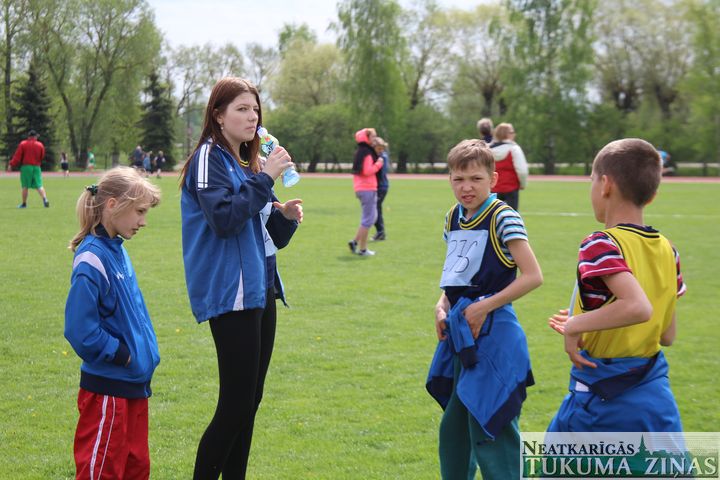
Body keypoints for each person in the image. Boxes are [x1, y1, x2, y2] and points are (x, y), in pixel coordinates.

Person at [180, 76, 303, 480]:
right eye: (242, 109)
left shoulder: (247, 162)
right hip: (231, 291)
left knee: (250, 401)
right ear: (218, 115)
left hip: (261, 288)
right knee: (234, 404)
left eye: (255, 110)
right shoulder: (209, 157)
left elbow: (268, 234)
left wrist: (286, 217)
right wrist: (266, 178)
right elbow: (223, 219)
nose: (253, 117)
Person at [547, 138, 686, 433]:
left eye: (591, 180)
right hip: (655, 401)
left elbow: (637, 307)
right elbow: (667, 334)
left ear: (605, 185)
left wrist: (574, 325)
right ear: (651, 196)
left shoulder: (600, 243)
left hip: (606, 400)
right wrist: (588, 322)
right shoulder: (668, 250)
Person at [426, 139, 543, 480]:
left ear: (493, 179)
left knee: (491, 424)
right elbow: (456, 275)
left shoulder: (503, 216)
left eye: (476, 179)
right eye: (458, 179)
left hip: (496, 334)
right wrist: (441, 304)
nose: (466, 187)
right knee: (455, 428)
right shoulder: (453, 216)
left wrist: (483, 307)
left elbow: (533, 276)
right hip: (461, 331)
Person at [64, 166, 161, 479]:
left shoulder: (117, 250)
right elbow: (79, 328)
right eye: (140, 212)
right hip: (109, 390)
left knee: (136, 468)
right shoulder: (92, 257)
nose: (143, 222)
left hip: (134, 386)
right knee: (102, 471)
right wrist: (121, 354)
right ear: (112, 205)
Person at [348, 127, 384, 256]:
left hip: (362, 188)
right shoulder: (367, 153)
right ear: (366, 138)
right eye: (373, 136)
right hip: (367, 188)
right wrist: (379, 163)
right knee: (368, 220)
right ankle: (363, 249)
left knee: (371, 218)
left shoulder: (361, 151)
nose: (375, 138)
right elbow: (367, 171)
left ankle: (355, 242)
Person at [489, 123, 528, 211]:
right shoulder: (514, 149)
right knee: (512, 215)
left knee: (492, 215)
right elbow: (522, 170)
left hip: (493, 188)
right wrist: (523, 184)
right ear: (507, 134)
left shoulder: (488, 149)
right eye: (512, 132)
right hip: (511, 188)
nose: (514, 134)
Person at [8, 129, 49, 208]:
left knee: (25, 186)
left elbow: (17, 156)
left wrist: (11, 164)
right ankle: (45, 199)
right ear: (35, 137)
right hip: (37, 167)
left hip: (26, 167)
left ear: (29, 137)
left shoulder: (23, 144)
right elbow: (42, 156)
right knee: (39, 185)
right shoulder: (40, 145)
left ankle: (24, 204)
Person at [372, 137, 391, 241]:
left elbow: (380, 173)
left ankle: (381, 232)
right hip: (379, 186)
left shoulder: (382, 157)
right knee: (376, 209)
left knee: (376, 209)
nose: (380, 150)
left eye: (381, 148)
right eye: (378, 148)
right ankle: (380, 232)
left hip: (381, 186)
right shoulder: (378, 156)